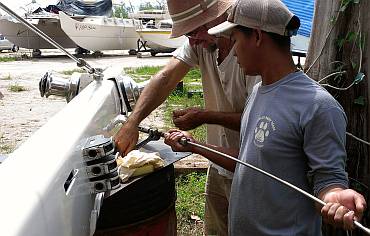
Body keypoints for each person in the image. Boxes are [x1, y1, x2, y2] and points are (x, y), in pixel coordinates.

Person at [164, 0, 367, 235]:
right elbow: (248, 163)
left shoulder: (317, 106)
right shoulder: (258, 93)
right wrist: (196, 145)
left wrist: (335, 195)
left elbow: (328, 178)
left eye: (236, 39)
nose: (233, 49)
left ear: (258, 37)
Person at [114, 0, 260, 235]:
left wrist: (205, 116)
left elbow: (260, 121)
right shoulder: (201, 42)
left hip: (251, 166)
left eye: (195, 30)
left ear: (219, 15)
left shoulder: (251, 52)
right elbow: (165, 78)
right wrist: (133, 122)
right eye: (187, 33)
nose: (193, 40)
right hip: (218, 160)